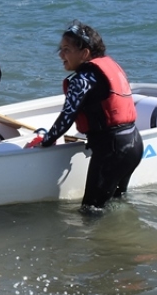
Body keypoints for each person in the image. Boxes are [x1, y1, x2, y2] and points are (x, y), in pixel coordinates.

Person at [28, 22, 143, 216]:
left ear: (85, 53)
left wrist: (46, 141)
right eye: (60, 49)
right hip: (133, 143)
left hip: (113, 150)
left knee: (90, 211)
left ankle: (96, 237)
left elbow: (67, 117)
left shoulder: (82, 80)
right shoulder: (107, 68)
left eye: (66, 50)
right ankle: (124, 233)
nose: (60, 55)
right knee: (117, 202)